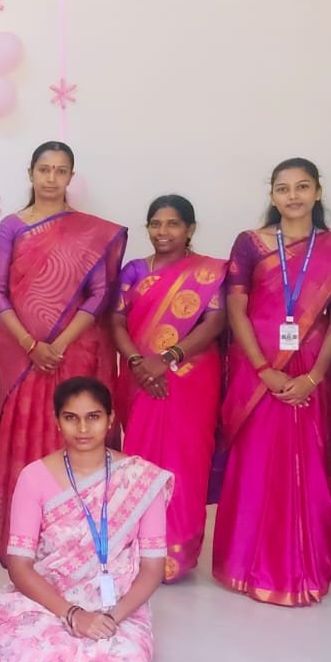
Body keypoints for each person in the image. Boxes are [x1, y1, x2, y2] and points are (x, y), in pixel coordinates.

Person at [0, 377, 170, 662]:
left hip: (118, 605)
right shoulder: (35, 477)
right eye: (71, 418)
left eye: (93, 417)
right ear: (57, 421)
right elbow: (19, 566)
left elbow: (152, 568)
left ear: (110, 419)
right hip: (50, 598)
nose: (83, 428)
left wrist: (112, 618)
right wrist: (74, 614)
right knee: (14, 652)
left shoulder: (141, 479)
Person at [212, 158, 331, 607]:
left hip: (313, 367)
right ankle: (242, 566)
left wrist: (314, 377)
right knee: (255, 465)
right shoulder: (250, 243)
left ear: (317, 192)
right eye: (283, 188)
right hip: (257, 367)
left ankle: (302, 569)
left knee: (308, 467)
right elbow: (236, 310)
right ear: (272, 195)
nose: (293, 196)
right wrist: (263, 369)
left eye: (302, 186)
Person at [0, 141, 128, 560]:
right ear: (31, 173)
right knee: (24, 431)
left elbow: (99, 293)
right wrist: (31, 345)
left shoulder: (89, 232)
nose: (51, 178)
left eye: (60, 170)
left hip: (73, 352)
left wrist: (59, 344)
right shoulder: (12, 226)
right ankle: (18, 539)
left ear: (70, 176)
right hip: (22, 355)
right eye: (44, 169)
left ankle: (73, 540)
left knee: (71, 429)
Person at [109, 195, 227, 582]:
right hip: (139, 375)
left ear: (190, 229)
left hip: (192, 378)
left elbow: (214, 322)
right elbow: (116, 322)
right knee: (139, 462)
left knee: (186, 461)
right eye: (155, 224)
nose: (163, 231)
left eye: (173, 223)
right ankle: (136, 552)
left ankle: (178, 554)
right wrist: (138, 362)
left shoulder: (209, 272)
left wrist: (168, 357)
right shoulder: (133, 271)